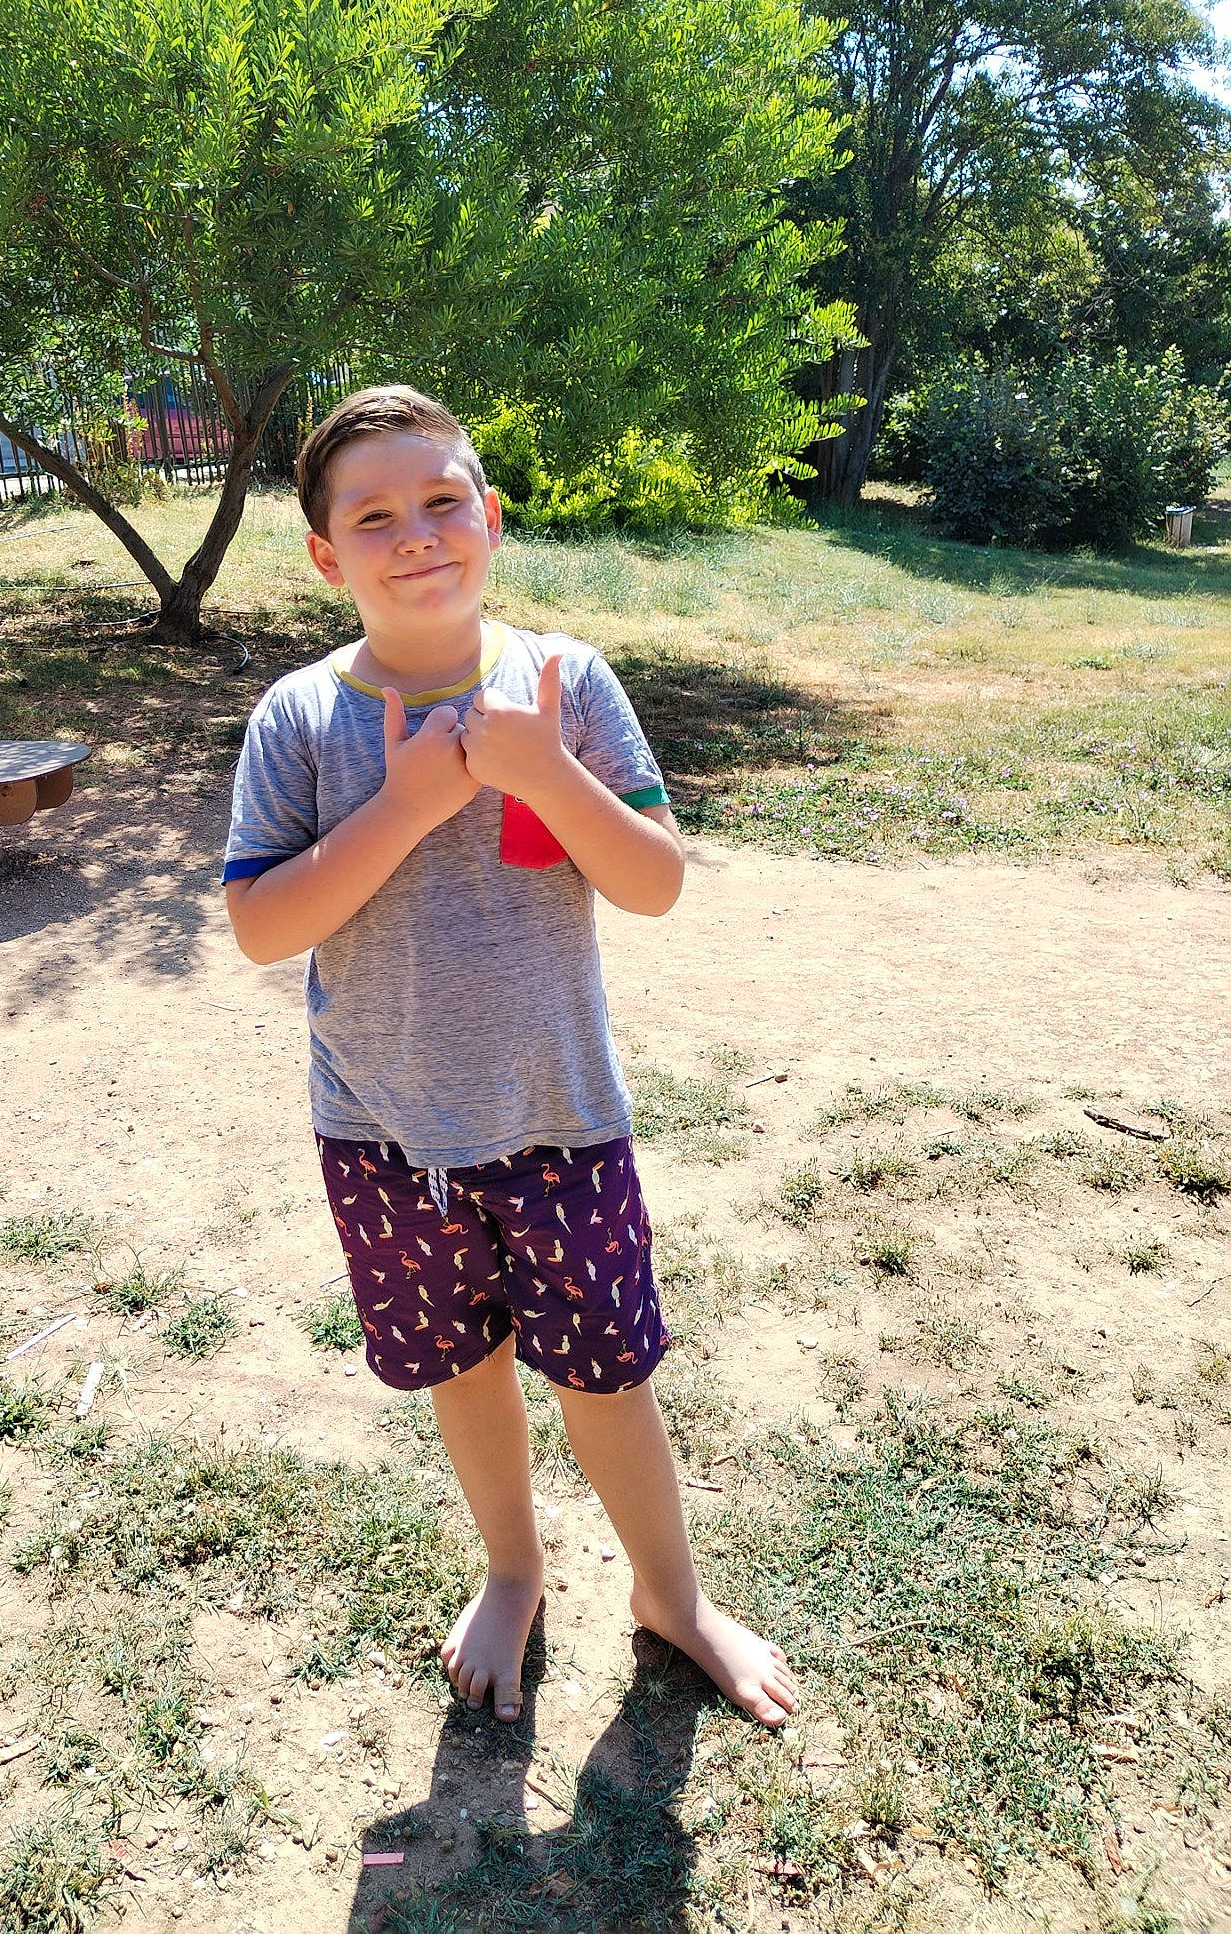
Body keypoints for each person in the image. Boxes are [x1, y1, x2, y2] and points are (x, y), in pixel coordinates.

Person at [222, 386, 795, 1729]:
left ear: (489, 516)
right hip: (383, 1132)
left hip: (561, 1116)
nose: (416, 534)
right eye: (374, 515)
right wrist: (413, 803)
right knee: (462, 1368)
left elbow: (653, 882)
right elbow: (262, 924)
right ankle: (514, 1569)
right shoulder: (299, 721)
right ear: (325, 556)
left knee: (608, 1375)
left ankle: (672, 1595)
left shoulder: (565, 683)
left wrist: (543, 773)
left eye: (442, 501)